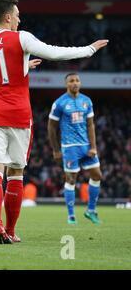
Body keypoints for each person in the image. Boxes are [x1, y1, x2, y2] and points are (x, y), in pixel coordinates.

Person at [0, 0, 108, 244]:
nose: (19, 19)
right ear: (7, 17)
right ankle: (11, 231)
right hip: (19, 115)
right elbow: (55, 53)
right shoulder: (21, 37)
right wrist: (89, 49)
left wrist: (25, 66)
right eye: (17, 14)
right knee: (15, 172)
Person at [48, 72, 102, 225]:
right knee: (71, 179)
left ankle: (91, 210)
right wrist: (56, 149)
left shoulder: (86, 101)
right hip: (70, 147)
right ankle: (71, 215)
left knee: (97, 175)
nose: (75, 83)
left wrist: (94, 146)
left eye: (77, 80)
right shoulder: (60, 103)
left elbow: (91, 124)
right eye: (71, 81)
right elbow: (51, 127)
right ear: (66, 84)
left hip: (86, 146)